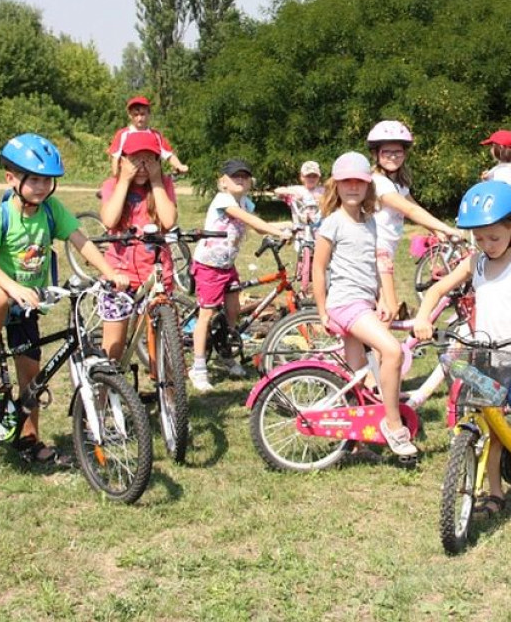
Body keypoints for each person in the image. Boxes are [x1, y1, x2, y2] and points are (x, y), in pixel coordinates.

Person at [413, 181, 511, 528]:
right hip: (487, 357)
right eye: (480, 238)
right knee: (493, 428)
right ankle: (495, 493)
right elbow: (439, 288)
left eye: (494, 238)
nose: (486, 245)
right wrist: (424, 317)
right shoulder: (476, 264)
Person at [0, 134, 128, 466]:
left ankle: (29, 439)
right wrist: (13, 287)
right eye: (35, 179)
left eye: (47, 180)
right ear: (11, 178)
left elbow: (80, 241)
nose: (42, 187)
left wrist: (110, 272)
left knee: (33, 377)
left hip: (30, 305)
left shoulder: (51, 211)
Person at [313, 151, 417, 458]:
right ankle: (394, 425)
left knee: (358, 376)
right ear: (336, 186)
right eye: (347, 182)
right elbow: (319, 269)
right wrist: (321, 311)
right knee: (392, 351)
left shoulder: (371, 223)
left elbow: (378, 264)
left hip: (364, 303)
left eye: (359, 182)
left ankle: (358, 441)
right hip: (346, 304)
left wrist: (384, 298)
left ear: (368, 186)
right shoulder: (332, 223)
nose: (353, 188)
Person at [188, 159, 292, 390]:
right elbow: (250, 220)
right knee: (205, 316)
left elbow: (256, 225)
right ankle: (198, 368)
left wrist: (288, 225)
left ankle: (226, 354)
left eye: (245, 176)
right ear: (222, 182)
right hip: (209, 265)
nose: (241, 180)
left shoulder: (245, 202)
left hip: (227, 265)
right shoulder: (224, 200)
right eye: (235, 176)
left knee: (233, 311)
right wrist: (277, 230)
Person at [98, 129, 179, 367]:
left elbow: (168, 221)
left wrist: (156, 182)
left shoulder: (163, 185)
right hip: (120, 275)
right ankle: (105, 396)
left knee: (163, 347)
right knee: (113, 348)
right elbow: (110, 220)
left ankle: (169, 396)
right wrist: (124, 180)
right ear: (123, 160)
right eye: (135, 160)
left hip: (156, 275)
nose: (142, 166)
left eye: (149, 160)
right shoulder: (112, 185)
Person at [367, 120, 462, 313]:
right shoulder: (378, 183)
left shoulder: (398, 184)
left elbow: (414, 206)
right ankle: (377, 344)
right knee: (389, 310)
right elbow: (410, 211)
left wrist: (435, 229)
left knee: (380, 309)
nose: (393, 156)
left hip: (386, 251)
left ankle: (367, 343)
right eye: (387, 152)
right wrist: (446, 228)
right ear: (376, 154)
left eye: (398, 151)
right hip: (375, 252)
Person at [106, 96, 189, 177]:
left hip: (150, 179)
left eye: (142, 114)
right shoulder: (122, 134)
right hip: (130, 178)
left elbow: (169, 155)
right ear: (130, 115)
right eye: (136, 114)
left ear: (149, 114)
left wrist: (179, 166)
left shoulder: (156, 135)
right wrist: (116, 176)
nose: (139, 118)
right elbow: (115, 157)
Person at [273, 160, 325, 227]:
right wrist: (293, 193)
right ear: (302, 177)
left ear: (319, 177)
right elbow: (277, 191)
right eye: (308, 176)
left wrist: (323, 198)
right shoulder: (297, 189)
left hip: (320, 228)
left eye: (315, 176)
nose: (312, 179)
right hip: (300, 227)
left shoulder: (323, 190)